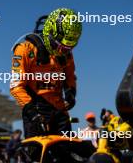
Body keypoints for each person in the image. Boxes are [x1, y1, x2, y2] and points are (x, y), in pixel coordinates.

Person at [10, 8, 82, 138]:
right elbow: (16, 86)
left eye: (68, 48)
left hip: (60, 111)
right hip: (35, 109)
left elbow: (70, 77)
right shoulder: (25, 49)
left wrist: (71, 94)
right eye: (60, 47)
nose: (63, 51)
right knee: (38, 155)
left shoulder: (67, 55)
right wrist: (33, 113)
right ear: (50, 34)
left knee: (67, 152)